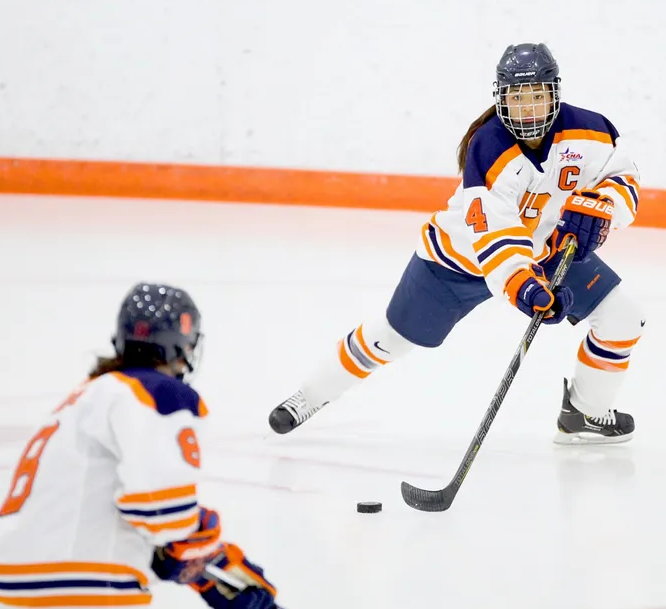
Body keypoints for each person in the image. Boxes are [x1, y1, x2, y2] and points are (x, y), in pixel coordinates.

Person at [269, 42, 646, 444]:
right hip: (457, 261)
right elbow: (495, 235)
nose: (529, 108)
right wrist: (523, 285)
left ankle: (585, 414)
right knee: (391, 338)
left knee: (623, 317)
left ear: (555, 94)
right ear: (501, 99)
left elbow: (624, 179)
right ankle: (308, 396)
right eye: (518, 97)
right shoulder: (488, 147)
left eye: (538, 96)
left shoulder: (590, 130)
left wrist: (604, 206)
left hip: (547, 249)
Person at [0, 283, 279, 609]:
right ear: (181, 344)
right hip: (77, 577)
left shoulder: (93, 394)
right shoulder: (157, 392)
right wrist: (200, 542)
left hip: (3, 575)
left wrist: (190, 555)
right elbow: (162, 512)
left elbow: (117, 505)